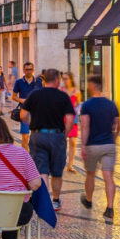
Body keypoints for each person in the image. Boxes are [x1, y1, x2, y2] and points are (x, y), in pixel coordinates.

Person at [20, 68, 75, 211]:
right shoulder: (63, 96)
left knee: (42, 169)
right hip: (57, 136)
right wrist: (65, 134)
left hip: (38, 135)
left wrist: (32, 124)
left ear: (44, 79)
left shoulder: (34, 95)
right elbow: (70, 119)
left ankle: (44, 201)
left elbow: (23, 115)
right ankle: (55, 201)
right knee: (57, 171)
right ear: (57, 80)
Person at [78, 76, 120, 222]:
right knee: (109, 177)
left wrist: (83, 145)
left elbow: (85, 126)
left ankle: (88, 200)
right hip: (109, 144)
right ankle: (109, 208)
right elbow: (117, 125)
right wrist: (113, 140)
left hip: (92, 145)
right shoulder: (111, 104)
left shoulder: (87, 105)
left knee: (90, 174)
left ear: (93, 86)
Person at [11, 62, 42, 150]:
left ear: (33, 70)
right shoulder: (19, 82)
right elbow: (13, 96)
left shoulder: (38, 82)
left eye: (30, 69)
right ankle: (25, 159)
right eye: (27, 69)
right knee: (25, 137)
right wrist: (22, 100)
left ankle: (33, 157)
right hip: (24, 111)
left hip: (36, 112)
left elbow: (42, 96)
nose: (29, 71)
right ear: (23, 70)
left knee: (35, 137)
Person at [62, 72, 81, 173]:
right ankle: (61, 162)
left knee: (73, 141)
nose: (64, 80)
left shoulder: (76, 91)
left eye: (66, 78)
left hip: (73, 118)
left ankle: (70, 165)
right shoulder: (61, 90)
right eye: (63, 78)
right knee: (62, 141)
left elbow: (78, 105)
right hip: (62, 118)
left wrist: (76, 110)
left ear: (71, 79)